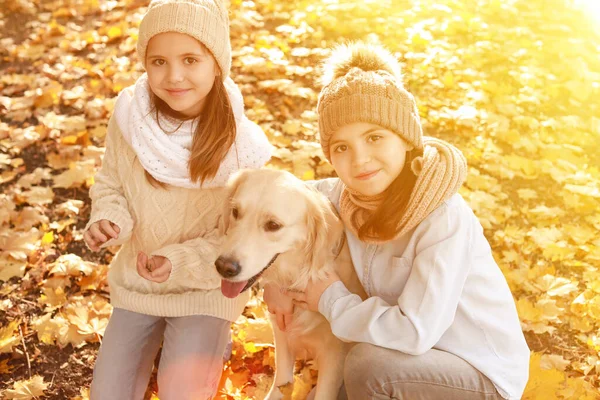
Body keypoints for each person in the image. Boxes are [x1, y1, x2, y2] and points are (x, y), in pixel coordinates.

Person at [264, 42, 529, 400]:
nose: (360, 161)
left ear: (407, 139)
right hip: (400, 357)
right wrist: (273, 278)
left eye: (375, 138)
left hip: (476, 372)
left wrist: (329, 298)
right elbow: (271, 205)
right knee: (343, 380)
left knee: (366, 369)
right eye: (342, 147)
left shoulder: (443, 216)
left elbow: (415, 331)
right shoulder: (339, 196)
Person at [83, 1, 272, 398]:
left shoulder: (240, 147)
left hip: (205, 288)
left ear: (217, 63)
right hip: (140, 282)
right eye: (158, 61)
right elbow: (111, 183)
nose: (174, 76)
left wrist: (180, 262)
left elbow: (239, 237)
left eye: (190, 59)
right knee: (108, 392)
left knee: (181, 391)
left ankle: (209, 340)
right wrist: (111, 219)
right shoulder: (130, 120)